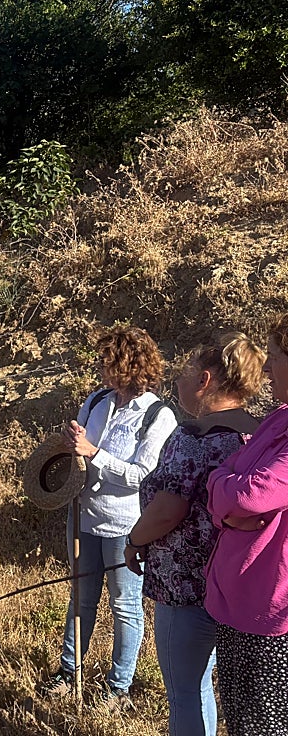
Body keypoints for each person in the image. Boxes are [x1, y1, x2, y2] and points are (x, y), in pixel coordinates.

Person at [124, 335, 264, 736]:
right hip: (240, 589)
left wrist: (135, 541)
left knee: (186, 692)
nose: (178, 379)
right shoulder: (259, 437)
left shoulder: (193, 437)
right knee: (227, 697)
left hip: (185, 590)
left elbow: (170, 508)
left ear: (204, 380)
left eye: (184, 372)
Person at [41, 325, 177, 709]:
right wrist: (74, 440)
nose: (102, 370)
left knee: (124, 605)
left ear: (131, 366)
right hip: (84, 514)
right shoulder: (99, 399)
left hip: (125, 525)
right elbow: (82, 445)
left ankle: (118, 687)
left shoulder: (158, 416)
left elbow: (141, 474)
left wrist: (93, 452)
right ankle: (68, 672)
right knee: (81, 598)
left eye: (109, 363)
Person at [205, 313, 288, 736]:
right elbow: (227, 475)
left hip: (271, 609)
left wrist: (225, 492)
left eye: (275, 357)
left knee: (265, 723)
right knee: (239, 717)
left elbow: (249, 494)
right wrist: (226, 495)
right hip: (240, 596)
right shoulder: (278, 419)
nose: (268, 368)